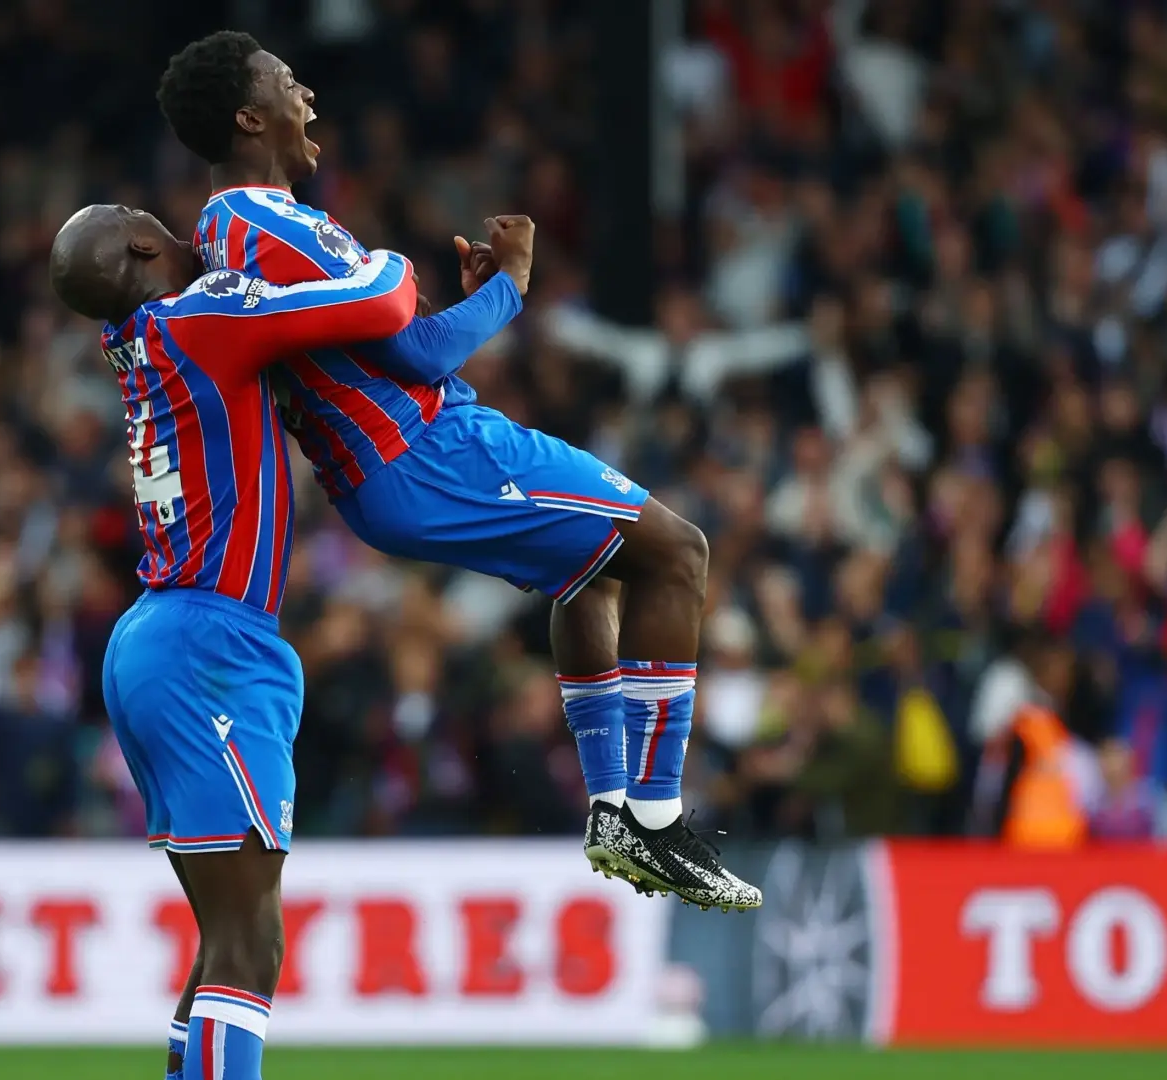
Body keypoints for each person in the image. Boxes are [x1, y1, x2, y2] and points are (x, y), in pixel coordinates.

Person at [158, 31, 762, 913]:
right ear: (251, 116)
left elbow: (374, 347)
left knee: (592, 576)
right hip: (427, 452)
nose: (309, 97)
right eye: (288, 84)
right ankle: (660, 818)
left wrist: (459, 298)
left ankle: (610, 810)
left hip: (392, 465)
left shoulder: (230, 231)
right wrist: (509, 287)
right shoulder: (265, 220)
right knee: (677, 552)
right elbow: (415, 349)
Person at [50, 202, 478, 1080]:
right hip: (207, 640)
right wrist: (382, 255)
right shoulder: (197, 318)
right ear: (138, 245)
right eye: (141, 214)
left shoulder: (140, 341)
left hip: (159, 638)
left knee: (225, 939)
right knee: (250, 942)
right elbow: (383, 304)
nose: (158, 216)